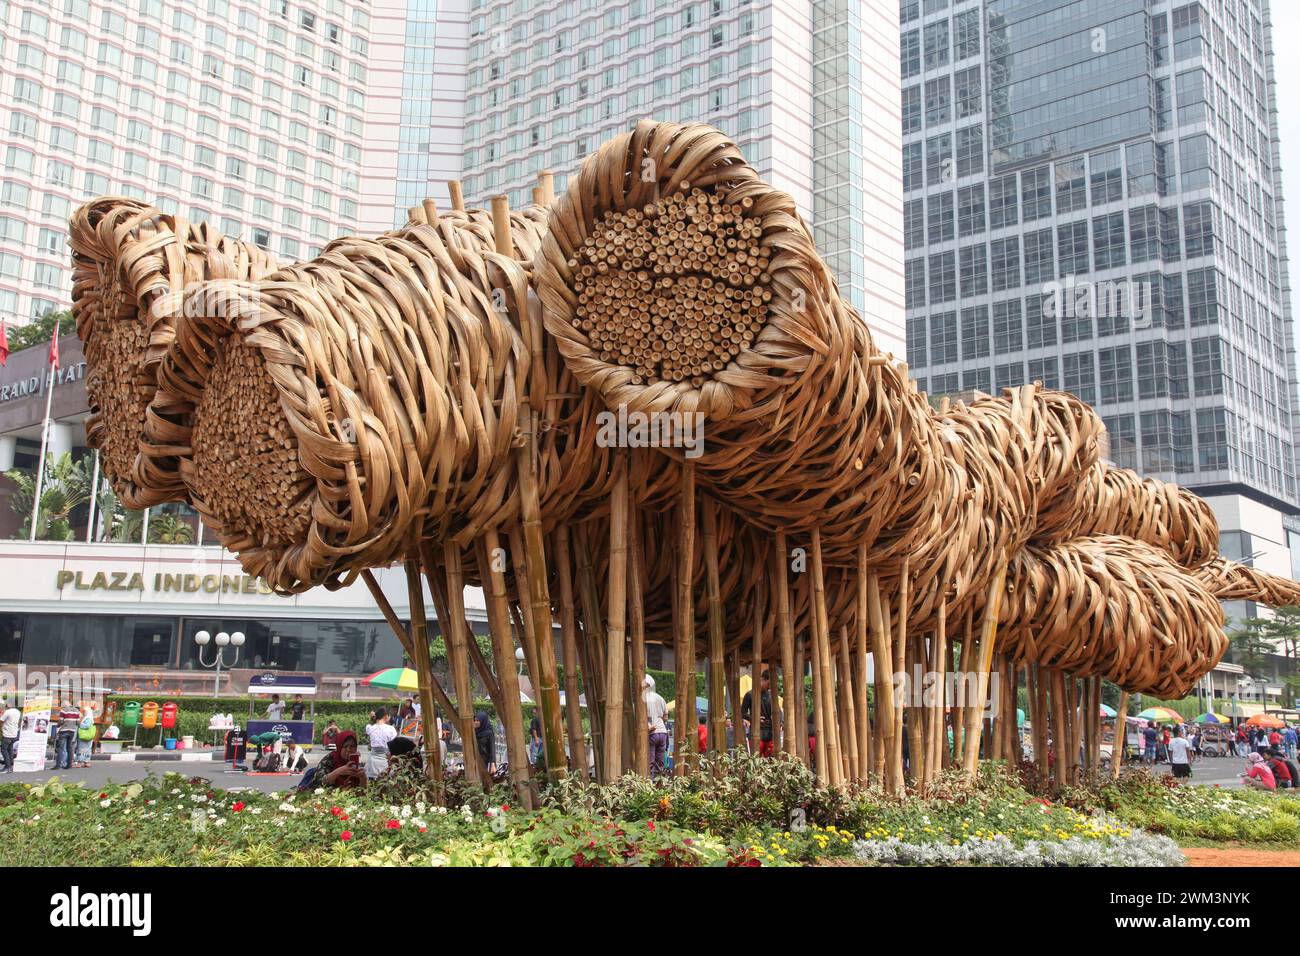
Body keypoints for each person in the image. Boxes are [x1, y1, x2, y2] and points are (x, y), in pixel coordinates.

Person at [300, 731, 365, 791]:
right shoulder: (330, 759)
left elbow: (363, 790)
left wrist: (363, 778)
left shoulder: (355, 761)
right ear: (339, 747)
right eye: (345, 746)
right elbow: (320, 782)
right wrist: (338, 771)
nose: (349, 749)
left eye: (352, 746)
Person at [741, 669, 775, 757]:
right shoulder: (749, 695)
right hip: (756, 733)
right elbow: (743, 713)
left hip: (771, 733)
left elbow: (778, 713)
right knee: (756, 761)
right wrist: (755, 719)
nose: (770, 687)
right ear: (763, 679)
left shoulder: (771, 696)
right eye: (769, 684)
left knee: (771, 762)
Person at [644, 675, 669, 776]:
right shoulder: (660, 698)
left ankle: (651, 782)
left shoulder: (643, 698)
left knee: (650, 761)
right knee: (660, 761)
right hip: (662, 732)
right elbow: (666, 717)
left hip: (651, 732)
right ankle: (660, 783)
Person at [365, 708, 397, 779]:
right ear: (386, 716)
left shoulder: (370, 728)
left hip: (372, 761)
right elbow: (394, 746)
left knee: (371, 785)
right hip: (386, 760)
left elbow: (370, 744)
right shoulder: (391, 729)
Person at [54, 700, 80, 770]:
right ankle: (69, 765)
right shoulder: (76, 711)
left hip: (64, 730)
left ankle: (58, 765)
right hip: (72, 731)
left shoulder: (63, 710)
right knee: (70, 748)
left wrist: (58, 725)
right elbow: (78, 722)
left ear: (64, 705)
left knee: (61, 748)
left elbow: (61, 721)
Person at [75, 704, 96, 768]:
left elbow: (86, 726)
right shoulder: (90, 718)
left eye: (84, 711)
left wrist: (79, 724)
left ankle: (80, 762)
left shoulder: (87, 718)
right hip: (89, 735)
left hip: (84, 735)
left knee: (82, 748)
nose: (83, 712)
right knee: (88, 749)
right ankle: (86, 761)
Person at [1, 697, 19, 772]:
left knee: (4, 750)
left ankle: (7, 766)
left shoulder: (8, 712)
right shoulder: (18, 711)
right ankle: (10, 765)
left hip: (7, 734)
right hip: (14, 734)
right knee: (10, 750)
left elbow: (1, 720)